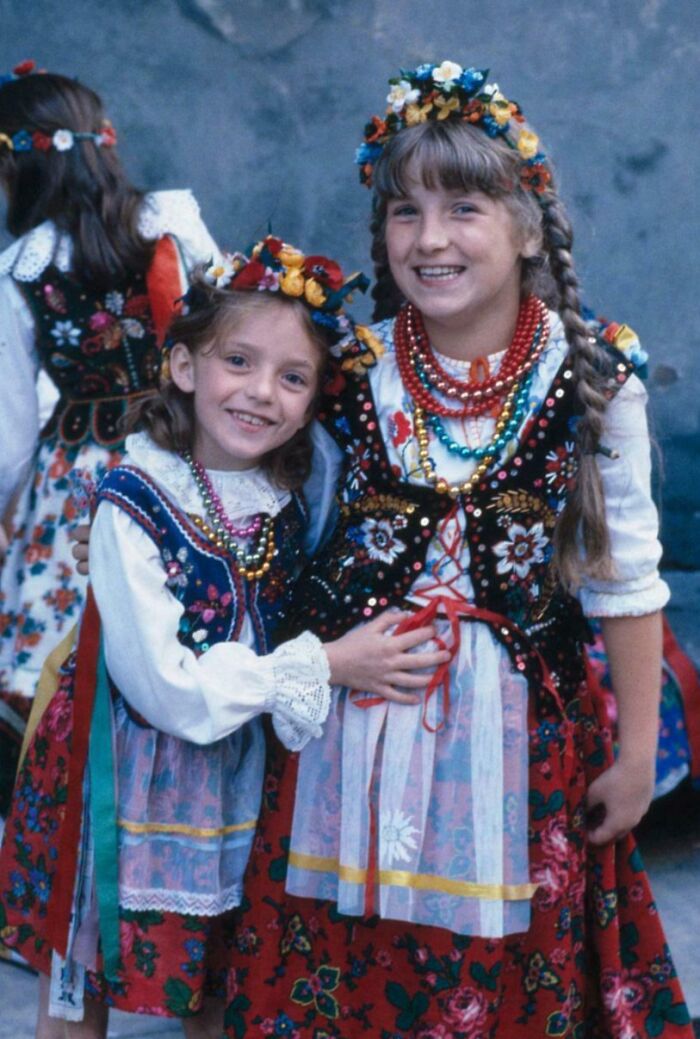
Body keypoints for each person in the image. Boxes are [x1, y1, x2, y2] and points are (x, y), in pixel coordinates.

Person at [220, 62, 694, 1036]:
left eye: (463, 208)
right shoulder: (348, 369)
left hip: (517, 741)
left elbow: (627, 580)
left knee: (495, 973)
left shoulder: (588, 376)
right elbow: (258, 501)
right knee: (344, 961)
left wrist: (640, 755)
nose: (428, 239)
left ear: (525, 224)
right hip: (350, 729)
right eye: (403, 212)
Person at [0, 236, 448, 1039]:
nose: (261, 393)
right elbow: (168, 688)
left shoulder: (290, 495)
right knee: (80, 983)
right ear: (183, 366)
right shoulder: (131, 499)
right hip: (120, 778)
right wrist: (328, 665)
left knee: (227, 984)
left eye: (292, 377)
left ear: (314, 403)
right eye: (237, 361)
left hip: (237, 783)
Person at [0, 60, 220, 816]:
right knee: (169, 646)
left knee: (59, 666)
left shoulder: (22, 271)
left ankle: (46, 856)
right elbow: (227, 333)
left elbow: (9, 435)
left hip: (75, 489)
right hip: (180, 466)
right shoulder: (169, 226)